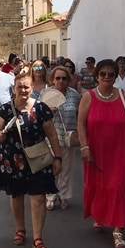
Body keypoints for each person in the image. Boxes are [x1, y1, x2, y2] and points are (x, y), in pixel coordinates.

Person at [0, 65, 64, 248]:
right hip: (13, 160)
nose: (23, 90)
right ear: (14, 88)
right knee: (17, 196)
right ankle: (20, 229)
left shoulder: (41, 108)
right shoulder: (6, 109)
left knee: (38, 197)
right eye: (20, 87)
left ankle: (38, 238)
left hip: (38, 159)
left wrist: (57, 157)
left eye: (26, 87)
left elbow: (52, 135)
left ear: (32, 88)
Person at [78, 59, 125, 248]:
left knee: (118, 188)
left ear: (115, 77)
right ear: (96, 76)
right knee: (99, 186)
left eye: (111, 74)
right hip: (96, 150)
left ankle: (118, 231)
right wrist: (84, 146)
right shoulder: (88, 97)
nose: (106, 77)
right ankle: (101, 215)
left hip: (119, 151)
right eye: (102, 74)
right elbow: (81, 124)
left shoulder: (123, 96)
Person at [46, 66, 83, 211]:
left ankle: (63, 196)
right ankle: (50, 196)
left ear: (69, 80)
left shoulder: (74, 95)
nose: (61, 81)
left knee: (66, 169)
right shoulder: (46, 94)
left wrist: (79, 132)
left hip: (68, 138)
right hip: (51, 138)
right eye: (58, 78)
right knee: (52, 169)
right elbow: (37, 115)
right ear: (53, 80)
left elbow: (80, 114)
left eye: (64, 78)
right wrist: (49, 111)